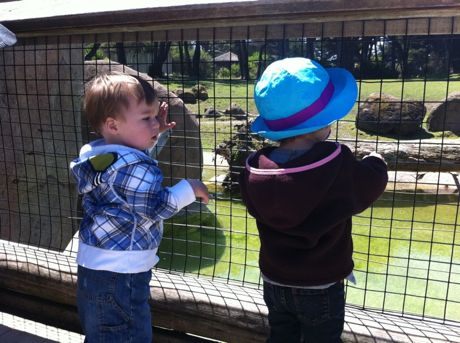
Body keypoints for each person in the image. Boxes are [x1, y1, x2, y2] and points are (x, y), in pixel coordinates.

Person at [239, 57, 388, 342]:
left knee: (281, 336)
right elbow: (368, 185)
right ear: (323, 123)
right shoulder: (334, 161)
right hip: (321, 283)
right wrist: (376, 161)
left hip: (274, 280)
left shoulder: (254, 167)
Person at [70, 72, 209, 342]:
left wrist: (157, 133)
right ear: (113, 125)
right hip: (123, 274)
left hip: (95, 267)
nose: (155, 124)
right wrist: (188, 189)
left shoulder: (100, 156)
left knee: (102, 334)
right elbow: (156, 207)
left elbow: (132, 159)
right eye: (147, 118)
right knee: (128, 335)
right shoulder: (134, 168)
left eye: (156, 117)